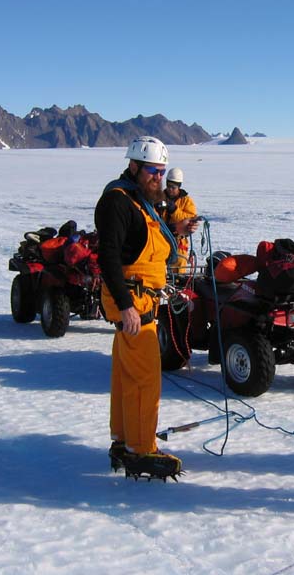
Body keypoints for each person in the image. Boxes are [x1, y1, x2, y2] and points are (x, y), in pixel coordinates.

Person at [95, 135, 189, 481]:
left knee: (125, 376)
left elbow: (141, 240)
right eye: (152, 171)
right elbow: (107, 256)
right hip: (133, 303)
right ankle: (141, 449)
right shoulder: (118, 203)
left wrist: (177, 228)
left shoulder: (139, 202)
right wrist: (125, 306)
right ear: (133, 166)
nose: (158, 179)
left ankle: (122, 440)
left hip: (141, 299)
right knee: (145, 378)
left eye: (161, 172)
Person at [156, 167, 199, 274]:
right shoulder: (158, 197)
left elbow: (190, 219)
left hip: (179, 243)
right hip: (160, 240)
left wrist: (174, 210)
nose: (170, 189)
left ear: (179, 186)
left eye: (173, 187)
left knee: (178, 270)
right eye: (168, 186)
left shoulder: (186, 201)